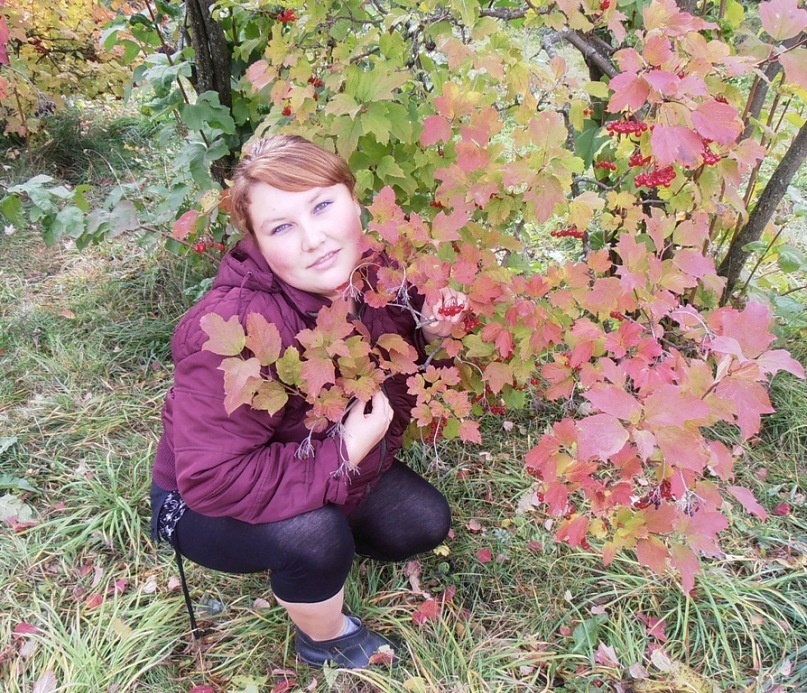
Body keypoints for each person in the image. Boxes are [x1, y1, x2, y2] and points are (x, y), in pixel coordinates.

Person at [150, 134, 466, 669]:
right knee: (315, 536)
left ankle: (319, 538)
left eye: (321, 206)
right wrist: (344, 451)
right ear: (257, 241)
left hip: (316, 455)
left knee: (421, 523)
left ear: (354, 200)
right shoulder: (231, 331)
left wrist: (430, 330)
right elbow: (211, 479)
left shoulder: (375, 270)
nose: (314, 239)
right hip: (198, 502)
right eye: (281, 227)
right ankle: (324, 639)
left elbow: (396, 349)